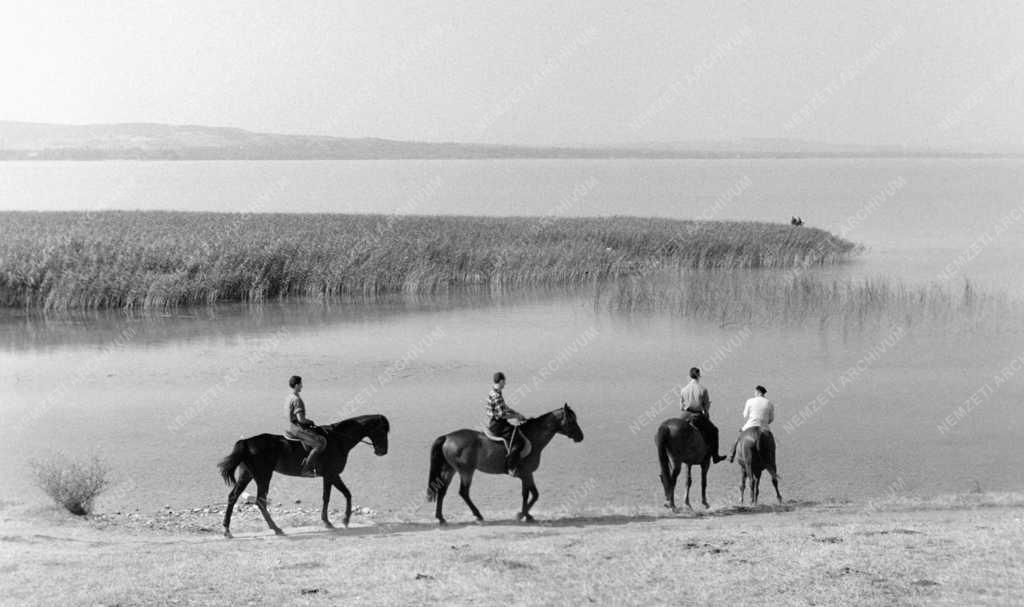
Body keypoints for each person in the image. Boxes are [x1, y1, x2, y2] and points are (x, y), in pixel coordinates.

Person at [680, 367, 727, 463]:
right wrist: (706, 410)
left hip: (685, 415)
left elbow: (681, 407)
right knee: (714, 431)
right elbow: (705, 407)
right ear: (698, 376)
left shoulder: (683, 389)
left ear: (690, 376)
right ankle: (715, 456)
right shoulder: (703, 389)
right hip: (697, 416)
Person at [485, 371, 527, 475]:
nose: (505, 384)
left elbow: (505, 407)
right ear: (501, 381)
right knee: (518, 441)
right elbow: (502, 415)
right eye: (504, 382)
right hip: (498, 425)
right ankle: (511, 466)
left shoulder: (494, 392)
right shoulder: (497, 396)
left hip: (496, 422)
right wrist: (516, 416)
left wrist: (516, 413)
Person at [284, 375, 327, 476]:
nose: (302, 386)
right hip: (297, 428)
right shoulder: (297, 400)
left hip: (290, 425)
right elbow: (301, 419)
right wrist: (310, 421)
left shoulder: (289, 396)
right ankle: (306, 469)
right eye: (300, 384)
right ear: (296, 385)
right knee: (319, 444)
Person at [728, 385, 775, 462]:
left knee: (738, 438)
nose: (754, 393)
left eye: (755, 392)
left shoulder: (750, 401)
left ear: (758, 392)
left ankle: (731, 455)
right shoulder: (769, 403)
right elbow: (771, 419)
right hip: (764, 427)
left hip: (750, 425)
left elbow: (745, 415)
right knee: (772, 443)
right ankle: (772, 459)